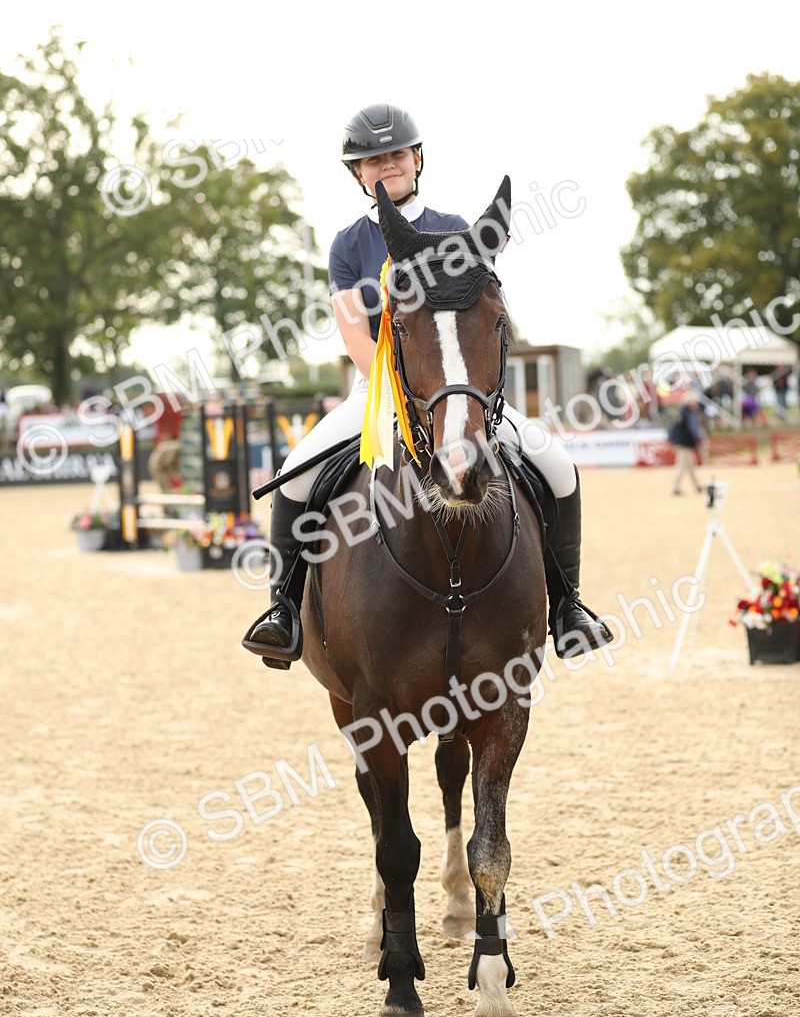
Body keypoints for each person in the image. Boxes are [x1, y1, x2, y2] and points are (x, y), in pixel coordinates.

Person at [242, 104, 612, 667]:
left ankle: (568, 606)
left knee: (556, 464)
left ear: (417, 159)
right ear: (358, 175)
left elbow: (476, 319)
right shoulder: (347, 244)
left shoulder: (455, 230)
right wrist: (388, 388)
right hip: (379, 389)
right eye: (371, 160)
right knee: (297, 473)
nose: (385, 165)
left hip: (456, 392)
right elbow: (351, 328)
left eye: (395, 154)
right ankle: (283, 610)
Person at [668, 396, 705, 495]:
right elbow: (693, 430)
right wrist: (699, 440)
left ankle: (697, 486)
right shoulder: (688, 415)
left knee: (690, 466)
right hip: (684, 444)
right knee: (682, 466)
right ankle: (676, 488)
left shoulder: (682, 414)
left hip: (683, 443)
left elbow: (673, 428)